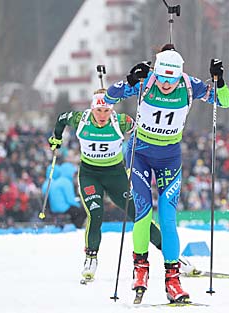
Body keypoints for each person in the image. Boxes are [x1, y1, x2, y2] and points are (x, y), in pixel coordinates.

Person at [104, 44, 229, 303]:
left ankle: (173, 280)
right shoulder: (146, 80)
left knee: (168, 217)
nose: (165, 84)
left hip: (169, 158)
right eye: (162, 77)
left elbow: (226, 102)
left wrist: (220, 82)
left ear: (179, 75)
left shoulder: (189, 85)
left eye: (171, 79)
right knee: (143, 213)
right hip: (139, 154)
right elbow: (109, 98)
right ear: (156, 73)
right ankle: (140, 269)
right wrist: (129, 80)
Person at [47, 88, 165, 283]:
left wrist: (136, 160)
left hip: (115, 175)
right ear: (92, 109)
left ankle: (169, 253)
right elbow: (61, 118)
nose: (102, 116)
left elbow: (140, 133)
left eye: (107, 111)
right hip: (90, 175)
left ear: (112, 110)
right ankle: (91, 258)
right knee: (96, 213)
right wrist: (57, 138)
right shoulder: (80, 119)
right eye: (99, 110)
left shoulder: (122, 122)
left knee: (139, 214)